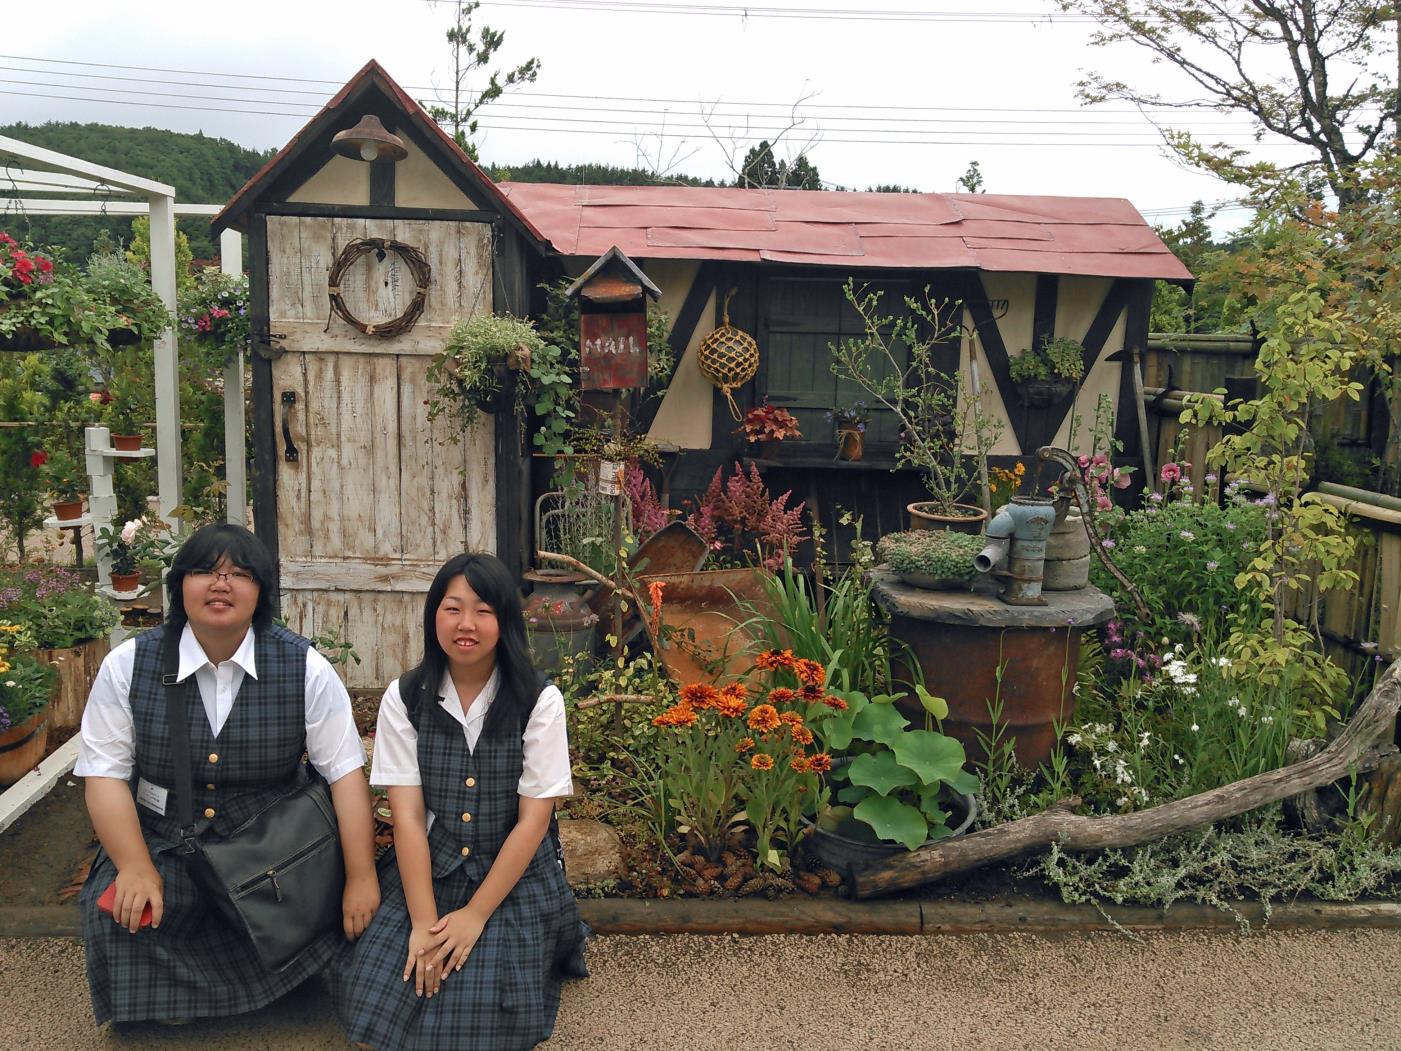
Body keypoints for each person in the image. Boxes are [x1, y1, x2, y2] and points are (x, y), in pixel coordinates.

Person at [76, 523, 380, 1026]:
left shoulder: (304, 666)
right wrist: (133, 865)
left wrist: (362, 877)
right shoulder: (128, 664)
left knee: (316, 909)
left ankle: (204, 995)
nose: (221, 585)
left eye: (240, 574)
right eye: (205, 572)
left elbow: (345, 776)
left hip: (271, 849)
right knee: (119, 913)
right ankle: (247, 991)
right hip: (166, 841)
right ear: (180, 586)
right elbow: (104, 775)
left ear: (261, 591)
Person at [333, 552, 587, 1051]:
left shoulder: (539, 701)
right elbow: (406, 818)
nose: (466, 624)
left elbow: (533, 822)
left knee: (481, 1017)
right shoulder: (405, 696)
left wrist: (473, 916)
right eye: (452, 608)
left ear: (505, 622)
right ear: (434, 617)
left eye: (483, 611)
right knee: (373, 1005)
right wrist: (424, 924)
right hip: (432, 866)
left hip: (511, 874)